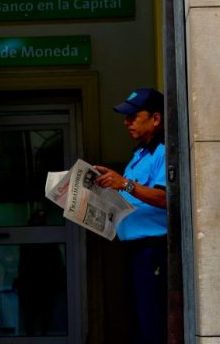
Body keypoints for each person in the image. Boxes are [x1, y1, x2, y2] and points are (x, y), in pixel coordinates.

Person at [94, 88, 167, 344]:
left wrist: (123, 183)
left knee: (152, 322)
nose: (127, 122)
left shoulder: (164, 150)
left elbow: (165, 198)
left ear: (155, 118)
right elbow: (131, 194)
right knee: (136, 320)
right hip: (133, 248)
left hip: (154, 248)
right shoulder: (139, 153)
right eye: (126, 117)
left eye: (134, 116)